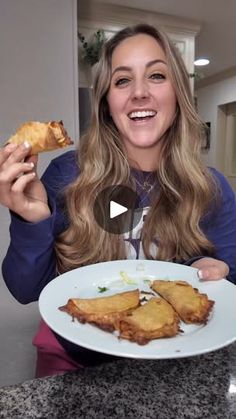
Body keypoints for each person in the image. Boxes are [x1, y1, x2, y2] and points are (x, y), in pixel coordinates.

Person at [1, 24, 236, 377]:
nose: (139, 92)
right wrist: (32, 220)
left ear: (178, 94)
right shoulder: (69, 175)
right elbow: (25, 289)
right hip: (73, 363)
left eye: (157, 75)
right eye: (122, 80)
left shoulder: (211, 189)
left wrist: (208, 268)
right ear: (106, 103)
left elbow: (228, 292)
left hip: (175, 364)